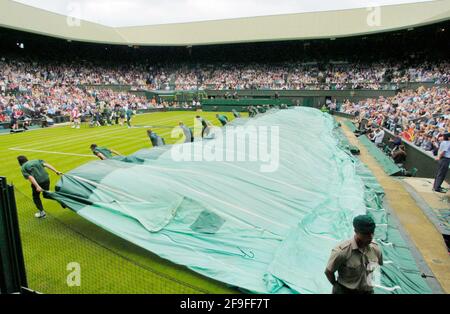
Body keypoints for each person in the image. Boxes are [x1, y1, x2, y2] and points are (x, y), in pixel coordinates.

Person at [325, 214, 383, 294]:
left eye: (372, 232)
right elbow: (329, 272)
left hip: (367, 291)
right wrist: (337, 286)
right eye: (366, 233)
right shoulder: (342, 252)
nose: (370, 236)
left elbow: (379, 265)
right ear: (356, 231)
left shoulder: (376, 250)